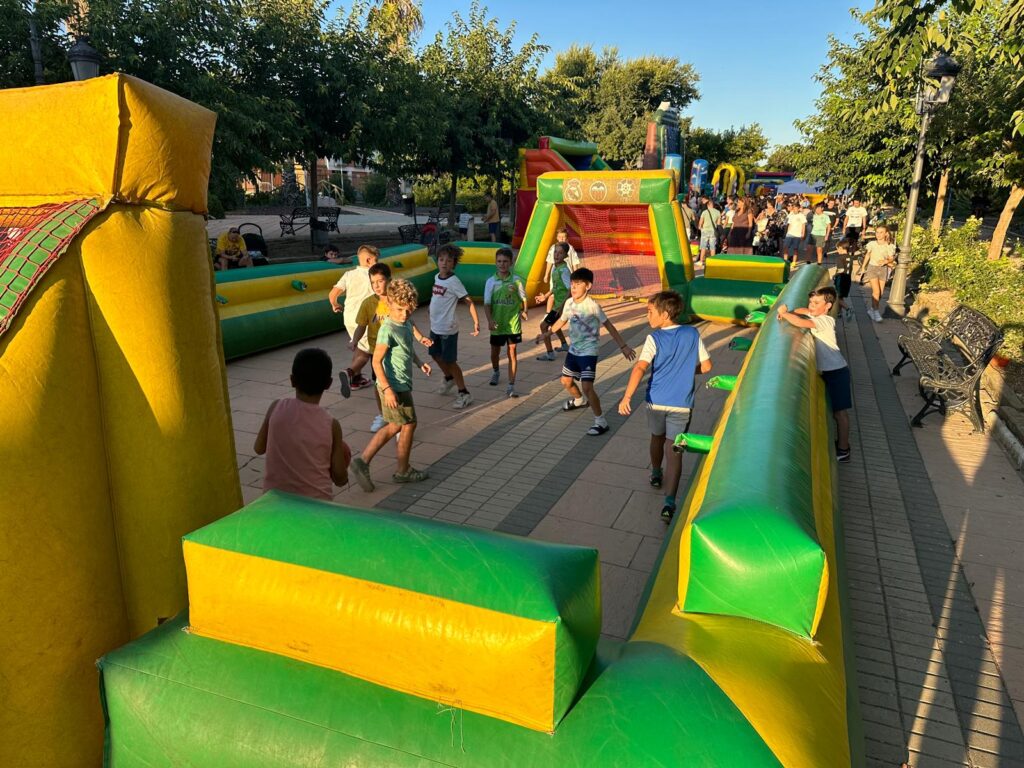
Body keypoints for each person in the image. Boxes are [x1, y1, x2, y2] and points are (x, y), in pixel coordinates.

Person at [618, 290, 712, 522]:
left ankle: (656, 472)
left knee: (656, 437)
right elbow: (707, 367)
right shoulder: (692, 333)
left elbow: (640, 367)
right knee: (675, 451)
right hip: (681, 404)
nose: (647, 316)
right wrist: (687, 372)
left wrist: (627, 397)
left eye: (650, 312)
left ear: (666, 313)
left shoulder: (654, 338)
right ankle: (669, 503)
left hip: (655, 401)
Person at [349, 279, 433, 491]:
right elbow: (376, 361)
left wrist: (420, 362)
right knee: (404, 424)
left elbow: (407, 348)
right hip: (393, 385)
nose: (404, 314)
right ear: (390, 305)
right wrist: (387, 390)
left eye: (408, 310)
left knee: (401, 424)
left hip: (401, 383)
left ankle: (373, 463)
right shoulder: (387, 329)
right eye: (399, 309)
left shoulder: (405, 324)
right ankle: (394, 468)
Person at [539, 267, 636, 436]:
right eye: (572, 284)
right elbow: (561, 321)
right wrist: (548, 333)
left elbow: (609, 326)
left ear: (588, 286)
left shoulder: (593, 306)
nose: (574, 288)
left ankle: (601, 421)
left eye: (578, 284)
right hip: (573, 350)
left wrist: (623, 346)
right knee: (566, 381)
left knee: (587, 387)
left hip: (589, 352)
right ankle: (579, 401)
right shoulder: (569, 303)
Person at [254, 348, 350, 500]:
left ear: (292, 380)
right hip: (316, 504)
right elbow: (340, 478)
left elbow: (259, 448)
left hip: (274, 500)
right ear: (328, 384)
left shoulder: (276, 407)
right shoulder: (331, 424)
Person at [352, 263, 432, 433]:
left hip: (397, 359)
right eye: (373, 282)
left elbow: (409, 332)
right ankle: (384, 415)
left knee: (401, 416)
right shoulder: (370, 304)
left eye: (380, 281)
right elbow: (361, 325)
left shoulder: (400, 305)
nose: (376, 286)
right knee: (380, 385)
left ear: (389, 281)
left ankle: (392, 421)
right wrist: (354, 340)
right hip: (378, 351)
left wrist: (420, 343)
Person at [776, 287, 852, 463]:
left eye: (816, 303)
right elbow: (804, 312)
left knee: (840, 413)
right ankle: (841, 444)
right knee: (835, 412)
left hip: (837, 372)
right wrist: (793, 310)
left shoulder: (825, 321)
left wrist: (784, 314)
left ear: (828, 306)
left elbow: (802, 323)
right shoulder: (817, 315)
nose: (811, 305)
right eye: (811, 301)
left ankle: (844, 449)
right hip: (829, 371)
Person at [430, 243, 480, 409]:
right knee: (435, 355)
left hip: (448, 328)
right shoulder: (437, 277)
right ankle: (449, 378)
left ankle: (464, 393)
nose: (444, 263)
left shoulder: (454, 281)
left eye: (449, 260)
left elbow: (468, 301)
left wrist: (476, 322)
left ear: (454, 264)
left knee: (450, 361)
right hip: (435, 327)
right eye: (441, 259)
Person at [328, 244, 379, 396]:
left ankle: (357, 379)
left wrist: (335, 304)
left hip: (349, 317)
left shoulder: (349, 274)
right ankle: (349, 372)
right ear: (369, 260)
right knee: (366, 352)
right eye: (377, 260)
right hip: (365, 319)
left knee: (358, 345)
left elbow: (332, 294)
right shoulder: (374, 276)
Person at [484, 247, 528, 398]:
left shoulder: (517, 281)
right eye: (499, 261)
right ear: (495, 262)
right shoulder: (490, 282)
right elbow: (487, 304)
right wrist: (490, 320)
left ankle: (511, 384)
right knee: (494, 352)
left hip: (513, 324)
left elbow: (523, 298)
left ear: (511, 262)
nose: (502, 264)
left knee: (512, 352)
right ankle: (496, 371)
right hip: (497, 324)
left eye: (505, 261)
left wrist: (525, 310)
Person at [535, 241, 572, 360]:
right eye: (556, 252)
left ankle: (550, 353)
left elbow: (570, 289)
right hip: (558, 305)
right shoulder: (556, 268)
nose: (557, 255)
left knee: (543, 326)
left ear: (565, 256)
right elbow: (555, 287)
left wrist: (561, 308)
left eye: (560, 253)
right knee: (554, 325)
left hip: (561, 306)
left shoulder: (564, 271)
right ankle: (564, 345)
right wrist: (545, 297)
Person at [859, 224, 896, 322]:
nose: (878, 234)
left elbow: (891, 257)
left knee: (881, 293)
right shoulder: (872, 244)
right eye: (877, 232)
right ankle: (876, 312)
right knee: (876, 291)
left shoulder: (890, 246)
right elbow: (867, 255)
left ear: (886, 234)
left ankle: (872, 310)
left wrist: (885, 261)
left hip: (883, 269)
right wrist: (863, 267)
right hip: (872, 268)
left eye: (881, 232)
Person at [833, 238, 854, 320]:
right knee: (841, 296)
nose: (837, 250)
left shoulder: (840, 258)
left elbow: (841, 270)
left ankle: (848, 309)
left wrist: (835, 275)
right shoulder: (850, 257)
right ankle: (839, 312)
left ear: (841, 248)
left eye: (837, 248)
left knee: (837, 297)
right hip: (848, 279)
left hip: (841, 278)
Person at [697, 197, 720, 265]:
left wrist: (700, 228)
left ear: (708, 204)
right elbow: (719, 223)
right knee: (712, 247)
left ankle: (701, 261)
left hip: (705, 231)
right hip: (713, 231)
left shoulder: (704, 212)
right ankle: (712, 262)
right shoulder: (718, 212)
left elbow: (700, 223)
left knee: (703, 246)